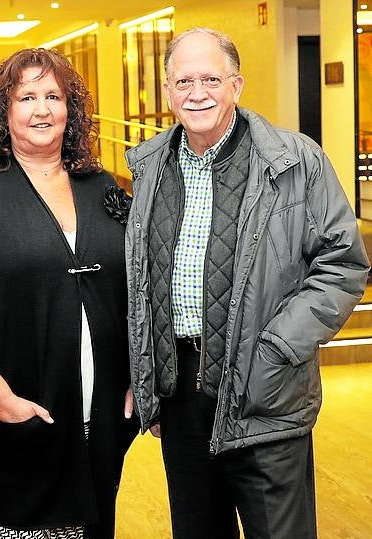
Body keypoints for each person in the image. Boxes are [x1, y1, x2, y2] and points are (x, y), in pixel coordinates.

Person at [123, 27, 369, 538]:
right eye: (183, 80)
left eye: (210, 78)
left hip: (266, 392)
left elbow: (343, 263)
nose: (197, 92)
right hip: (180, 396)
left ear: (236, 84)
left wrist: (276, 348)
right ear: (167, 92)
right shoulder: (148, 168)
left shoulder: (295, 161)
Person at [0, 48, 136, 539]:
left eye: (53, 96)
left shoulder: (100, 185)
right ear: (6, 111)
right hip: (21, 412)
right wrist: (2, 403)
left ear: (71, 110)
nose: (42, 109)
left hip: (100, 416)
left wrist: (136, 378)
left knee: (96, 525)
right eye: (27, 97)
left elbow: (138, 289)